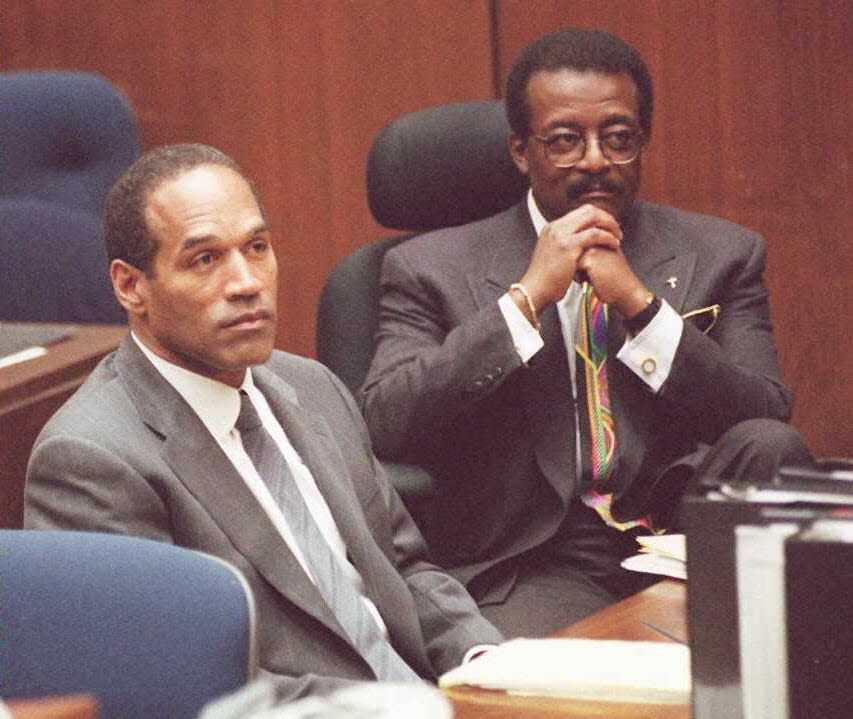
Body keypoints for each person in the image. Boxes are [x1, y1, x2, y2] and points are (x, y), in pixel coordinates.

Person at [358, 29, 814, 637]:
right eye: (566, 141)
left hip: (682, 531)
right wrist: (526, 300)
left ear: (643, 142)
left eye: (618, 138)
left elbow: (762, 414)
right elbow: (386, 421)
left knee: (769, 446)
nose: (596, 159)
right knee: (560, 686)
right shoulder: (428, 268)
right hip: (537, 556)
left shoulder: (722, 253)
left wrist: (640, 306)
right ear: (522, 151)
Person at [24, 143, 503, 700]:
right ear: (131, 286)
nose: (246, 282)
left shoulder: (312, 387)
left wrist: (484, 656)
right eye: (205, 259)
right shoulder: (91, 460)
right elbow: (167, 684)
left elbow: (405, 567)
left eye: (256, 248)